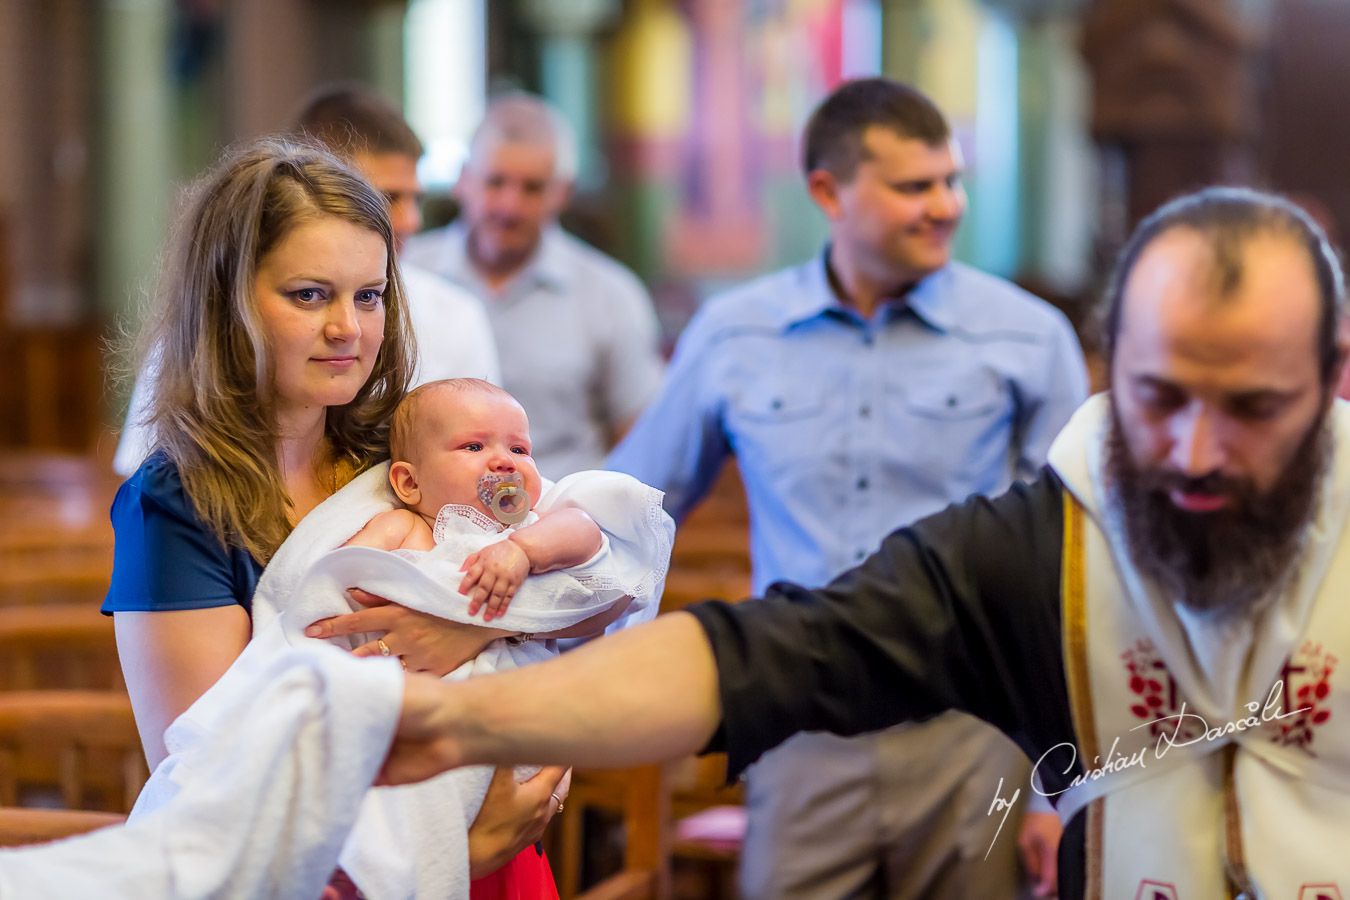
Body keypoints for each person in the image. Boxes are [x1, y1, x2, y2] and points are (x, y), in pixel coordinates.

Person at [375, 185, 1350, 898]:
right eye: (1159, 397)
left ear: (1333, 375)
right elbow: (762, 654)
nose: (1198, 451)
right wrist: (463, 723)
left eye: (1254, 407)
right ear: (1110, 363)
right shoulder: (1050, 546)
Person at [607, 77, 1086, 898]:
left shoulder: (1027, 336)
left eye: (951, 180)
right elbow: (630, 507)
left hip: (970, 732)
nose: (946, 205)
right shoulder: (735, 333)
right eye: (913, 186)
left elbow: (1076, 562)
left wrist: (1060, 783)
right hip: (799, 725)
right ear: (828, 191)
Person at [102, 138, 566, 896]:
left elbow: (552, 579)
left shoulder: (404, 449)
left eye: (370, 295)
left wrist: (481, 630)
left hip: (497, 828)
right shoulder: (175, 503)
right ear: (229, 300)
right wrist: (457, 850)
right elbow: (212, 787)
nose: (350, 327)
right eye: (310, 295)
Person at [112, 83, 501, 476]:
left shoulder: (456, 314)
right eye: (387, 197)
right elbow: (148, 469)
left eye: (370, 297)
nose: (410, 221)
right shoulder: (205, 325)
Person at [403, 92, 664, 478]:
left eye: (532, 188)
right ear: (463, 180)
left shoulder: (611, 296)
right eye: (495, 182)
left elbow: (641, 438)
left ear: (562, 193)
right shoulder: (403, 276)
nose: (509, 206)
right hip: (425, 521)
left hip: (564, 514)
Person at [346, 377, 636, 628]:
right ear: (410, 483)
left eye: (519, 449)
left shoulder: (529, 524)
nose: (505, 461)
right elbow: (341, 573)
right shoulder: (404, 527)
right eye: (474, 446)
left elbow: (584, 531)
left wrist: (522, 551)